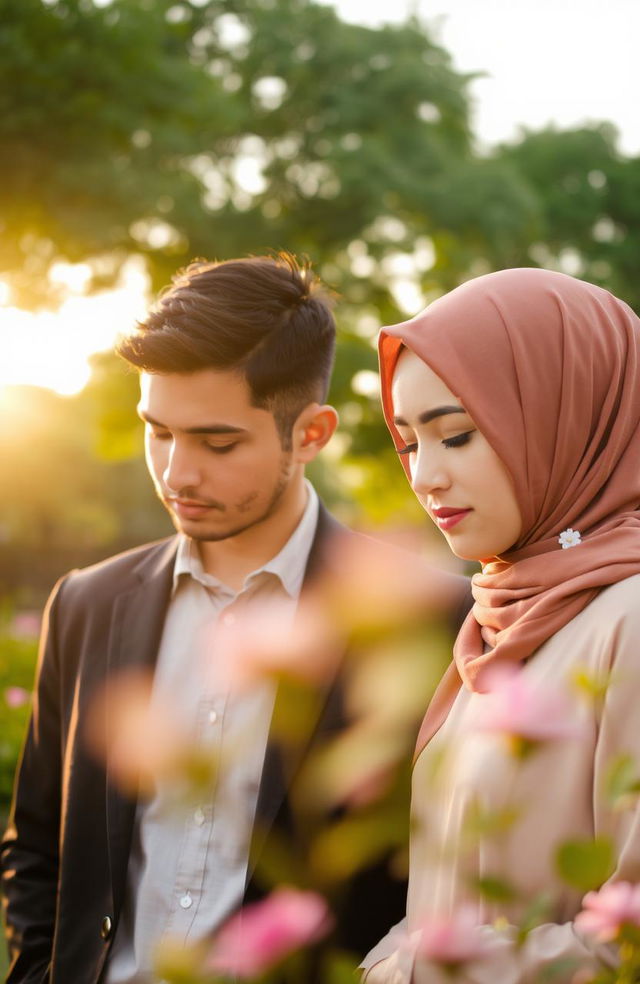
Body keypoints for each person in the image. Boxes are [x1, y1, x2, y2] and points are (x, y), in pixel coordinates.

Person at [1, 252, 470, 984]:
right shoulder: (85, 604)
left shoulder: (427, 620)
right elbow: (38, 850)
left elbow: (449, 875)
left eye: (217, 443)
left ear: (311, 434)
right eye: (158, 431)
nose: (176, 472)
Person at [361, 267, 640, 983]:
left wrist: (413, 972)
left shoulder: (629, 620)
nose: (423, 476)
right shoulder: (497, 617)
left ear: (567, 416)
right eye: (409, 442)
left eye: (454, 435)